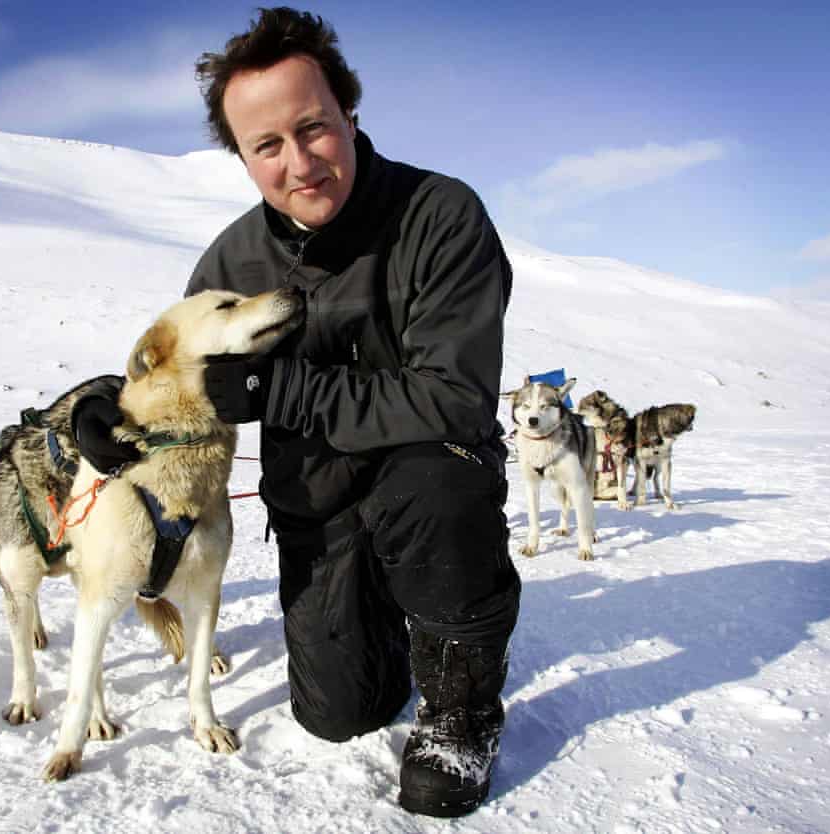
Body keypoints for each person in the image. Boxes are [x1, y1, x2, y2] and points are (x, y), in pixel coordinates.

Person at [75, 6, 521, 818]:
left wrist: (278, 392)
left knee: (430, 481)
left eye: (312, 128)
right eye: (266, 146)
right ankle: (389, 616)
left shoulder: (439, 215)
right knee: (338, 713)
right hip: (316, 496)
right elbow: (179, 372)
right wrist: (102, 411)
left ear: (349, 114)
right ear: (243, 158)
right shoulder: (231, 260)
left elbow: (455, 395)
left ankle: (463, 701)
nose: (299, 162)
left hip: (430, 479)